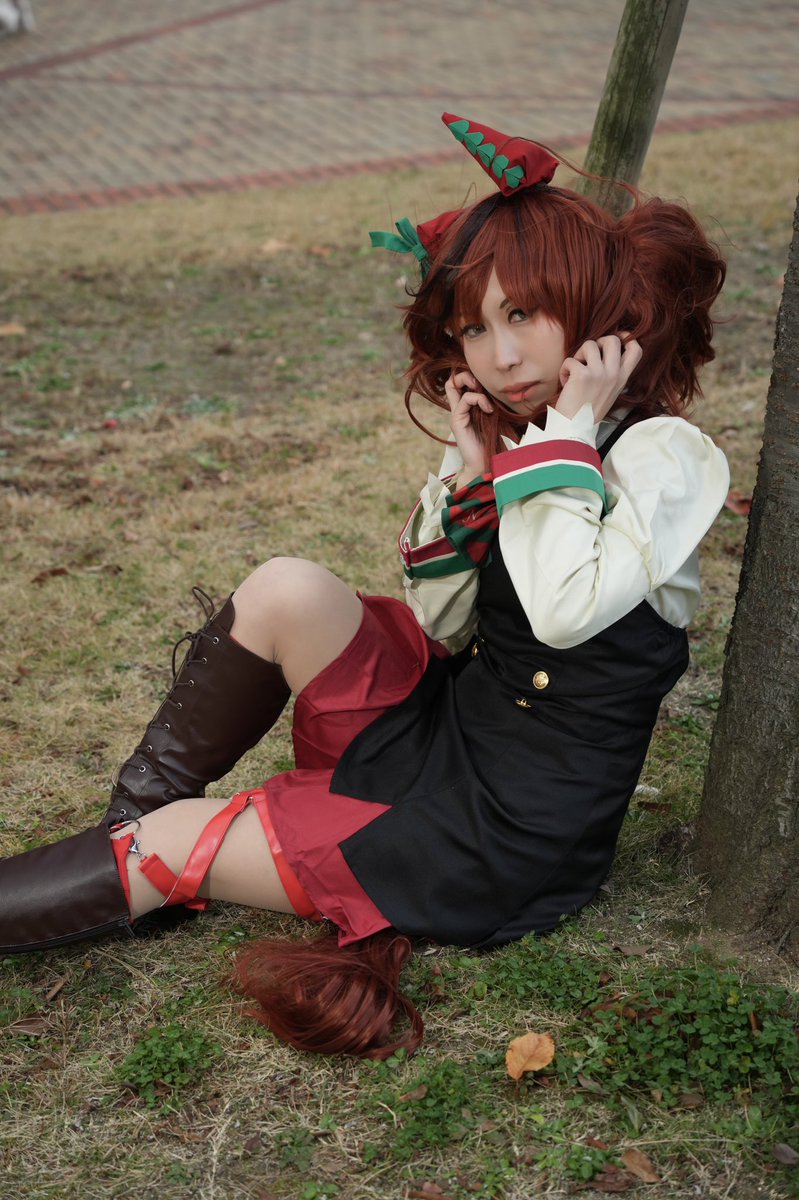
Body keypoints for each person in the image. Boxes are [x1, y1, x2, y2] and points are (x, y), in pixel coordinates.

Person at [0, 112, 729, 1059]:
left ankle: (147, 856)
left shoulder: (664, 455)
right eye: (473, 328)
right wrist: (472, 479)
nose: (499, 356)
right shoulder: (521, 438)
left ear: (590, 309)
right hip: (450, 737)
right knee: (287, 589)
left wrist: (567, 434)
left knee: (170, 842)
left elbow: (559, 614)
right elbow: (445, 624)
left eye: (523, 315)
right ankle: (128, 842)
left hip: (502, 838)